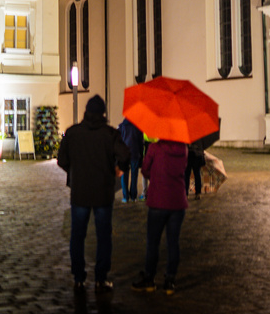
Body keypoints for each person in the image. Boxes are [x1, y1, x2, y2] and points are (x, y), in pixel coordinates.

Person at [57, 94, 130, 293]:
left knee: (77, 236)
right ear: (103, 113)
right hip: (103, 193)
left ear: (86, 112)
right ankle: (101, 277)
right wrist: (119, 168)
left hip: (80, 192)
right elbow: (125, 154)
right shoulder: (110, 134)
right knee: (103, 236)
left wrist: (74, 172)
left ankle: (78, 277)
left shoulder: (73, 133)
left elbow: (61, 160)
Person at [133, 138, 188, 295]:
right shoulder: (183, 149)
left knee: (153, 243)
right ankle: (170, 281)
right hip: (177, 201)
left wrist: (155, 177)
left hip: (157, 201)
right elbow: (182, 169)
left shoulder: (154, 148)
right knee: (173, 243)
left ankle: (149, 279)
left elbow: (144, 170)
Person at [119, 117, 144, 203]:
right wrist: (141, 154)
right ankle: (133, 196)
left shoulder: (122, 126)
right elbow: (141, 142)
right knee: (134, 175)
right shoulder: (137, 128)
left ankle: (125, 196)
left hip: (124, 154)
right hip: (135, 153)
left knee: (124, 175)